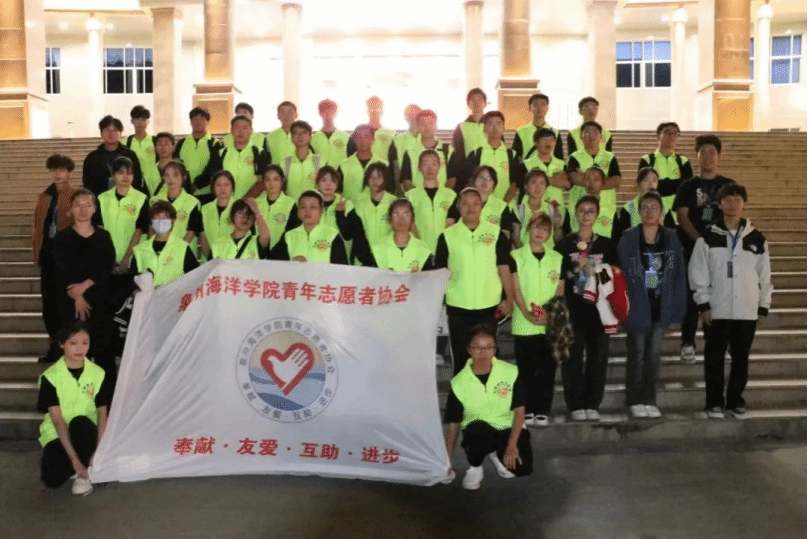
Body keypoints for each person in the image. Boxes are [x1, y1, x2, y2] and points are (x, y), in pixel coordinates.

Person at [689, 183, 772, 419]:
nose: (733, 204)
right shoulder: (708, 236)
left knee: (741, 359)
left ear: (744, 203)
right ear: (719, 204)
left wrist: (763, 305)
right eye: (728, 199)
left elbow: (765, 275)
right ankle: (714, 403)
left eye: (737, 199)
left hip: (747, 310)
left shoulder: (757, 238)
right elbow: (697, 272)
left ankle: (735, 401)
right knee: (714, 359)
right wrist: (703, 304)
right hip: (717, 308)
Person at [617, 191, 687, 419]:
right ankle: (634, 399)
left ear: (661, 212)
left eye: (654, 208)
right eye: (645, 207)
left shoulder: (671, 237)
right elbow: (621, 273)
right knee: (637, 353)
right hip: (637, 305)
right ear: (639, 211)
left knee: (653, 355)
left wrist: (678, 309)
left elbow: (679, 273)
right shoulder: (629, 237)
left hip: (662, 304)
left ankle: (649, 399)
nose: (649, 212)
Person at [434, 187, 515, 375]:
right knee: (461, 358)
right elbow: (439, 272)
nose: (470, 208)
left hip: (489, 306)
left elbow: (504, 267)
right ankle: (461, 394)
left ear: (482, 206)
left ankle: (487, 393)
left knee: (488, 358)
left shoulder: (495, 233)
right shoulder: (447, 236)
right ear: (458, 207)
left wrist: (509, 299)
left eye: (475, 203)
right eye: (465, 203)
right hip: (458, 306)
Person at [444, 325, 533, 490]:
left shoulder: (511, 372)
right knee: (476, 431)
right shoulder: (459, 382)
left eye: (488, 348)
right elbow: (454, 424)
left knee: (522, 469)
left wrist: (512, 445)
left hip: (506, 428)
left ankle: (496, 453)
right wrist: (447, 461)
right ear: (469, 350)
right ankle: (475, 467)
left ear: (495, 349)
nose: (483, 353)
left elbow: (520, 411)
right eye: (477, 348)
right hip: (478, 430)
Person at [554, 195, 619, 421]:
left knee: (598, 357)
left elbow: (616, 275)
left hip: (599, 310)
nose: (586, 214)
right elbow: (557, 277)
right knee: (572, 358)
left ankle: (592, 403)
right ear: (575, 214)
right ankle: (575, 404)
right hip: (573, 308)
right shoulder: (564, 245)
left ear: (597, 215)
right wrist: (575, 269)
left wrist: (596, 270)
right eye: (582, 210)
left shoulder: (606, 244)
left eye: (591, 210)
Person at [672, 134, 735, 363]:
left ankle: (716, 343)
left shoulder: (728, 186)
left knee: (717, 297)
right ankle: (688, 342)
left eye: (712, 152)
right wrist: (700, 241)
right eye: (703, 152)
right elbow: (682, 216)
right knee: (692, 297)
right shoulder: (688, 186)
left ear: (719, 156)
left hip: (720, 251)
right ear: (696, 156)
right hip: (692, 249)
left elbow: (734, 214)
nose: (708, 157)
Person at [50, 189, 117, 388]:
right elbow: (59, 271)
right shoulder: (61, 238)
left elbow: (106, 266)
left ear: (95, 209)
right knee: (72, 354)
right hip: (70, 305)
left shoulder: (103, 237)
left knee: (104, 354)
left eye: (88, 205)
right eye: (78, 205)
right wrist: (77, 296)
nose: (83, 209)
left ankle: (106, 400)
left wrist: (85, 286)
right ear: (70, 209)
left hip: (100, 303)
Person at [37, 321, 112, 495]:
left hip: (88, 431)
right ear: (62, 344)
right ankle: (81, 466)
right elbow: (57, 420)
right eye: (73, 343)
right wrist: (74, 460)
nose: (80, 348)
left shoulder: (98, 374)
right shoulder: (50, 377)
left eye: (85, 343)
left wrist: (98, 451)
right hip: (58, 434)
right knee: (51, 480)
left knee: (80, 423)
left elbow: (102, 414)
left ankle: (85, 474)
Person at [509, 213, 565, 427]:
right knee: (525, 371)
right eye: (536, 227)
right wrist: (526, 313)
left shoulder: (556, 258)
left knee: (547, 369)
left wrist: (548, 315)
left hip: (549, 322)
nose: (540, 232)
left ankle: (542, 409)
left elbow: (560, 289)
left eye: (545, 229)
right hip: (524, 323)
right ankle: (527, 409)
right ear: (528, 229)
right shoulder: (516, 256)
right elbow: (515, 288)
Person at [33, 154, 77, 363]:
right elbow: (37, 227)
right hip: (48, 254)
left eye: (62, 170)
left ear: (69, 172)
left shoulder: (76, 195)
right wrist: (37, 252)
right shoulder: (44, 196)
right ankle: (54, 344)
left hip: (67, 257)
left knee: (65, 303)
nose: (58, 174)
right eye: (54, 170)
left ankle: (68, 346)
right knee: (49, 304)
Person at [96, 156, 149, 273]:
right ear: (113, 175)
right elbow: (99, 229)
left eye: (129, 173)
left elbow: (140, 230)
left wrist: (127, 258)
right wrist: (107, 257)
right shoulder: (102, 198)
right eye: (121, 173)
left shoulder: (141, 198)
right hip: (107, 259)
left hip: (133, 258)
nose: (126, 176)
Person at [269, 190, 349, 264]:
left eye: (312, 207)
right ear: (298, 211)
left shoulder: (332, 235)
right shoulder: (289, 236)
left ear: (321, 211)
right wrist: (291, 262)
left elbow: (341, 269)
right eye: (303, 207)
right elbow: (273, 264)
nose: (307, 211)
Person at [314, 166, 373, 266]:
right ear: (317, 183)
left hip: (340, 259)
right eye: (324, 180)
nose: (328, 184)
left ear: (337, 184)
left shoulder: (347, 205)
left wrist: (340, 215)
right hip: (315, 256)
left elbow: (350, 235)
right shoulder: (311, 204)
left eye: (333, 180)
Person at [131, 201, 199, 286]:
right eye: (156, 218)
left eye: (165, 218)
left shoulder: (182, 247)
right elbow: (133, 279)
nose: (161, 222)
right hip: (147, 294)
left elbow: (194, 277)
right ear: (151, 221)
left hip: (174, 294)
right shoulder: (140, 249)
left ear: (172, 220)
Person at [404, 149, 457, 253]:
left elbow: (451, 226)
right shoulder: (410, 196)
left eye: (434, 164)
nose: (430, 168)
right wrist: (419, 246)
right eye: (425, 164)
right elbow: (410, 224)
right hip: (419, 251)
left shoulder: (451, 196)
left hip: (444, 251)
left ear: (440, 166)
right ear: (419, 167)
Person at [465, 111, 524, 201]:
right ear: (484, 128)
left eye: (498, 124)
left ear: (504, 127)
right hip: (481, 205)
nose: (495, 127)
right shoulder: (476, 153)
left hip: (505, 204)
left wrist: (504, 204)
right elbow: (471, 181)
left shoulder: (511, 155)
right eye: (490, 124)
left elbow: (515, 183)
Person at [210, 115, 269, 200]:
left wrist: (243, 202)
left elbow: (263, 181)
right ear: (231, 131)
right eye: (237, 128)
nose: (240, 132)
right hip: (227, 203)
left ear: (251, 131)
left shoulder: (260, 153)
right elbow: (215, 181)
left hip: (253, 203)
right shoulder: (221, 154)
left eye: (245, 128)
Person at [638, 122, 693, 214]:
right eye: (667, 132)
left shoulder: (683, 161)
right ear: (658, 136)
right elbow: (645, 187)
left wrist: (660, 185)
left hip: (677, 213)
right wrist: (677, 184)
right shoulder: (647, 160)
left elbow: (687, 188)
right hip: (652, 212)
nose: (671, 136)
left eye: (675, 133)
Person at [447, 166, 515, 241]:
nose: (485, 181)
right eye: (481, 177)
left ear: (494, 184)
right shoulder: (462, 200)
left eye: (489, 179)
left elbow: (506, 235)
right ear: (474, 180)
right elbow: (450, 224)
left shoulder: (502, 206)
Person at [566, 122, 621, 212]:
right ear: (581, 137)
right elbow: (573, 177)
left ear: (600, 137)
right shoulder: (574, 157)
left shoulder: (610, 157)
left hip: (606, 209)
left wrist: (585, 178)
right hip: (580, 208)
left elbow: (616, 180)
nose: (591, 136)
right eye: (587, 133)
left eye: (595, 132)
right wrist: (602, 180)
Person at [82, 115, 142, 197]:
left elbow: (137, 181)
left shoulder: (130, 156)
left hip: (127, 199)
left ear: (120, 133)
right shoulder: (92, 158)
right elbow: (87, 184)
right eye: (107, 130)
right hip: (101, 200)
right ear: (101, 133)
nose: (111, 133)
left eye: (115, 130)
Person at [612, 167, 676, 243]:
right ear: (638, 184)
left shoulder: (665, 209)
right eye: (646, 180)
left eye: (654, 180)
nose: (651, 184)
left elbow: (672, 237)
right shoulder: (628, 209)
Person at [369, 198, 434, 271]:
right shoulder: (378, 249)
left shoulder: (423, 249)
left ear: (412, 219)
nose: (401, 219)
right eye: (396, 214)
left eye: (406, 214)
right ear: (390, 218)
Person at [150, 161, 202, 251]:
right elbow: (151, 228)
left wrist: (177, 250)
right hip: (160, 250)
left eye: (175, 175)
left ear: (184, 177)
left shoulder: (193, 202)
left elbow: (191, 231)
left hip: (183, 250)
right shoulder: (154, 200)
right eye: (167, 175)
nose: (171, 179)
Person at [400, 109, 456, 191]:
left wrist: (443, 196)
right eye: (422, 124)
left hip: (443, 198)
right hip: (417, 198)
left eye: (430, 123)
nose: (427, 127)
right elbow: (406, 181)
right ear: (417, 126)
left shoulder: (448, 151)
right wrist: (417, 197)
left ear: (436, 126)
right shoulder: (410, 152)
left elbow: (452, 179)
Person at [173, 107, 222, 200]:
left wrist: (197, 185)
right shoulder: (181, 143)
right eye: (195, 119)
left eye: (202, 119)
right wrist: (185, 185)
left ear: (207, 121)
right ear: (190, 122)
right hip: (183, 193)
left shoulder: (214, 144)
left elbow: (214, 168)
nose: (198, 122)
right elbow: (176, 166)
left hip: (207, 194)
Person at [511, 169, 564, 248]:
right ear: (526, 186)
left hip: (548, 253)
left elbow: (558, 238)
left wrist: (558, 226)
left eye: (542, 183)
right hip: (524, 254)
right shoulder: (518, 210)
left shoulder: (551, 209)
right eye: (533, 182)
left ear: (546, 187)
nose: (538, 187)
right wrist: (527, 254)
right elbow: (515, 238)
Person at [337, 124, 389, 203]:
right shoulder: (343, 165)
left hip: (376, 209)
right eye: (358, 137)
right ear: (354, 140)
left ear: (373, 140)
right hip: (350, 209)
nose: (362, 140)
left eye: (366, 137)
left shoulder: (384, 165)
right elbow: (337, 192)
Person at [255, 165, 300, 250]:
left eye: (276, 179)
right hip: (257, 252)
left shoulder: (291, 203)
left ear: (282, 181)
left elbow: (292, 232)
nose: (271, 184)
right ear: (263, 181)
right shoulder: (256, 203)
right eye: (267, 180)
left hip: (281, 253)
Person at [354, 162, 398, 249]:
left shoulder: (394, 203)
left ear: (386, 179)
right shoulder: (360, 203)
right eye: (371, 177)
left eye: (379, 177)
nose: (374, 181)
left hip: (388, 252)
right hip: (365, 253)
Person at [512, 94, 564, 161]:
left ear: (547, 108)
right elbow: (516, 157)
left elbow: (559, 157)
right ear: (530, 108)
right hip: (528, 167)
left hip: (549, 167)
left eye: (543, 104)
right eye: (535, 105)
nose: (539, 108)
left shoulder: (555, 132)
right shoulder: (521, 132)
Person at [124, 105, 160, 198]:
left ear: (148, 122)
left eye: (143, 119)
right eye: (137, 119)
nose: (140, 123)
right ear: (132, 121)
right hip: (132, 185)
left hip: (154, 185)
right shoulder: (126, 142)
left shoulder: (156, 141)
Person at [282, 121, 323, 201]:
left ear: (310, 137)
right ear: (291, 138)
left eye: (304, 133)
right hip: (291, 207)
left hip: (314, 206)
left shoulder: (320, 161)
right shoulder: (285, 163)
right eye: (296, 133)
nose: (300, 136)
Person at [199, 171, 236, 258]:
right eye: (218, 185)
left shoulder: (239, 208)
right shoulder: (205, 209)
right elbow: (202, 236)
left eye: (227, 185)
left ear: (232, 187)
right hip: (209, 260)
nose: (222, 188)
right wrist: (211, 258)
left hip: (232, 260)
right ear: (213, 188)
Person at [311, 99, 350, 168]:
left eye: (330, 111)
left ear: (335, 113)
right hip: (320, 173)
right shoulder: (313, 138)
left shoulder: (346, 137)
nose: (327, 114)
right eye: (324, 111)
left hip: (341, 173)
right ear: (320, 113)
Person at [451, 87, 487, 160]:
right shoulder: (461, 127)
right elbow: (457, 153)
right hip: (469, 166)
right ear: (468, 104)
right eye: (473, 100)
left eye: (480, 100)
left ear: (485, 103)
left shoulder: (492, 125)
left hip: (489, 165)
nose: (477, 103)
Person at [389, 104, 421, 179]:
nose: (414, 118)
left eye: (416, 114)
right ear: (406, 118)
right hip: (405, 184)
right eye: (410, 115)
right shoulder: (396, 140)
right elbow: (394, 168)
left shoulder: (429, 138)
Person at [265, 101, 298, 165]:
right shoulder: (270, 137)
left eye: (290, 112)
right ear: (278, 116)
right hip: (277, 171)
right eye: (282, 112)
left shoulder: (304, 135)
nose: (286, 115)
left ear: (296, 114)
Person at [365, 96, 396, 161]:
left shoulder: (391, 134)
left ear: (382, 110)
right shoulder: (359, 134)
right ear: (367, 110)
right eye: (371, 108)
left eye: (377, 108)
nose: (374, 110)